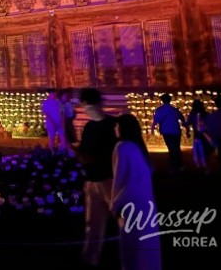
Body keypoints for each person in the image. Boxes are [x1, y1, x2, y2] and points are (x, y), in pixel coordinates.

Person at [111, 114, 162, 270]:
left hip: (129, 204)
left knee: (131, 250)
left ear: (122, 128)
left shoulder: (122, 147)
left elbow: (120, 179)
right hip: (145, 204)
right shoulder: (138, 148)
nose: (114, 129)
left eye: (117, 125)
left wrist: (115, 204)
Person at [77, 88, 117, 268]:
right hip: (92, 180)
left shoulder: (113, 125)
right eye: (85, 106)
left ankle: (134, 254)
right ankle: (91, 257)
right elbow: (84, 150)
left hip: (110, 179)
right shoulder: (89, 126)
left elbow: (118, 152)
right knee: (93, 224)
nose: (86, 110)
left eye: (88, 106)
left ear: (98, 104)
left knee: (125, 218)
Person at [151, 93, 186, 173]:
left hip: (166, 131)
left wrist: (152, 129)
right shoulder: (174, 109)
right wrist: (185, 126)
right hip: (176, 130)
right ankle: (179, 165)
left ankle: (174, 166)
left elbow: (156, 120)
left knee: (171, 148)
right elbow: (181, 117)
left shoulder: (160, 110)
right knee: (176, 148)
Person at [185, 98, 211, 170]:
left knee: (197, 153)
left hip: (197, 136)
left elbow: (188, 124)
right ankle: (205, 167)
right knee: (204, 152)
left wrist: (187, 132)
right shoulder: (206, 114)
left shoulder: (193, 114)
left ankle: (200, 167)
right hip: (205, 137)